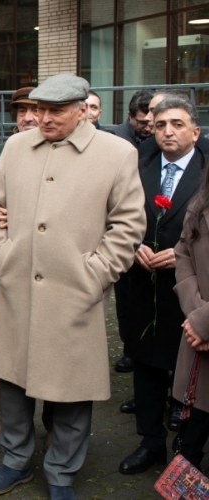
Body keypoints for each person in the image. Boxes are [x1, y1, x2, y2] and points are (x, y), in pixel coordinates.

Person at [0, 74, 146, 499]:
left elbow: (128, 225)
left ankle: (61, 472)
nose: (44, 119)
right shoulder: (17, 147)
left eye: (56, 111)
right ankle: (15, 461)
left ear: (81, 109)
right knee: (12, 385)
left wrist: (95, 274)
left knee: (72, 390)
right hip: (17, 288)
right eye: (40, 110)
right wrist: (2, 256)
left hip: (75, 294)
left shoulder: (116, 153)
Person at [118, 96, 206, 475]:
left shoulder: (206, 169)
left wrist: (179, 253)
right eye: (160, 126)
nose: (167, 132)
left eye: (177, 124)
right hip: (142, 280)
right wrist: (133, 244)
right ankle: (149, 441)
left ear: (195, 131)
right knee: (145, 362)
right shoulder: (138, 163)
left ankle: (185, 445)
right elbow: (119, 210)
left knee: (188, 366)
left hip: (192, 288)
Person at [0, 87, 53, 449]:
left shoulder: (59, 148)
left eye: (34, 110)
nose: (27, 117)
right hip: (12, 266)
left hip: (53, 270)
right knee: (9, 348)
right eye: (21, 111)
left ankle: (53, 418)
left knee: (53, 346)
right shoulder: (3, 152)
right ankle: (7, 420)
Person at [110, 88, 155, 376]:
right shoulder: (116, 140)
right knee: (125, 295)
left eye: (153, 122)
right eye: (143, 124)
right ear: (130, 117)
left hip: (153, 225)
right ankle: (129, 347)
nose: (149, 128)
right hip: (123, 228)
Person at [171, 166, 209, 470]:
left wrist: (203, 321)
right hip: (198, 338)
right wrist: (195, 313)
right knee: (193, 428)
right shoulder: (199, 206)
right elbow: (183, 257)